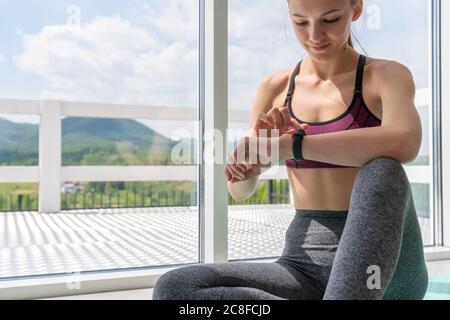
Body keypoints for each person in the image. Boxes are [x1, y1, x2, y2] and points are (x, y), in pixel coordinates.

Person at [153, 0, 428, 300]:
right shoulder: (275, 87)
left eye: (330, 19)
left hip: (383, 273)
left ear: (357, 9)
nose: (314, 34)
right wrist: (253, 164)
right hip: (305, 265)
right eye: (300, 22)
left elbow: (406, 141)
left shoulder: (386, 75)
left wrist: (291, 146)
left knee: (383, 170)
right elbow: (240, 191)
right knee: (175, 288)